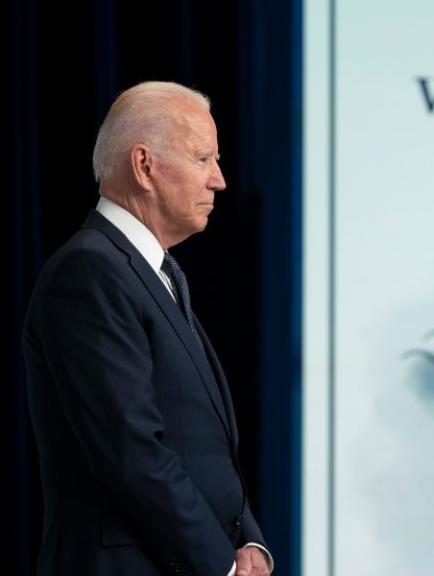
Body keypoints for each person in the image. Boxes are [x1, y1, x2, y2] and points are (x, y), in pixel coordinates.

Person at [23, 82, 272, 576]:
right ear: (144, 166)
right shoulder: (90, 273)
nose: (219, 180)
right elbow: (131, 450)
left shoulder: (151, 273)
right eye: (203, 159)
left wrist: (248, 543)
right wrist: (221, 564)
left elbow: (199, 443)